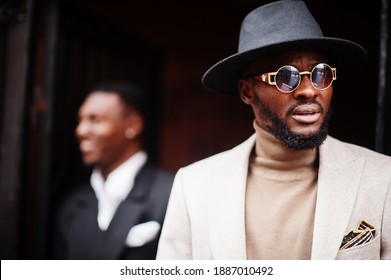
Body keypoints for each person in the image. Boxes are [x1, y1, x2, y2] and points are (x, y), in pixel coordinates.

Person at [157, 0, 391, 260]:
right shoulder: (194, 185)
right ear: (247, 92)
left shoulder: (383, 178)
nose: (309, 90)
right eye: (286, 77)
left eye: (320, 73)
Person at [53, 82, 174, 259]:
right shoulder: (71, 204)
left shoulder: (172, 193)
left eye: (96, 120)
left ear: (133, 125)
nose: (81, 130)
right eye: (80, 120)